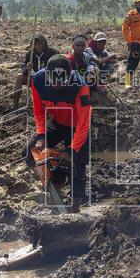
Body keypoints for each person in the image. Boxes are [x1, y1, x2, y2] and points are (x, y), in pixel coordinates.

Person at [24, 55, 92, 213]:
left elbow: (84, 124)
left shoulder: (80, 86)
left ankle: (75, 208)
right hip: (56, 121)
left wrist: (71, 150)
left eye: (62, 81)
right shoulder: (38, 80)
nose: (57, 85)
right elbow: (39, 111)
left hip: (77, 126)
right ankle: (52, 182)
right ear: (47, 75)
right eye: (54, 81)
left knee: (78, 165)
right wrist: (41, 134)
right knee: (30, 150)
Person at [12, 33, 55, 109]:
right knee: (20, 77)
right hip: (37, 79)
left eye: (40, 44)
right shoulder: (30, 54)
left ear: (44, 43)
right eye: (35, 44)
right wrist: (27, 68)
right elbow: (24, 71)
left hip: (49, 81)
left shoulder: (52, 52)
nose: (38, 46)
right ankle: (15, 105)